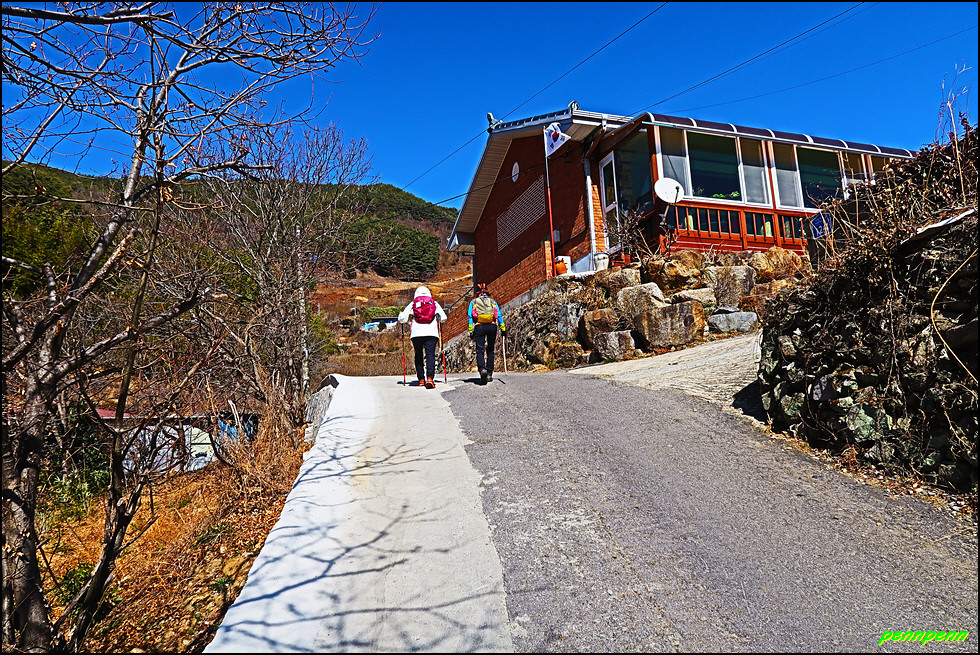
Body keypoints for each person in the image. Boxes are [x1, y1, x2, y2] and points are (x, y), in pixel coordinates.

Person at [398, 285, 447, 388]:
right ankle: (430, 378)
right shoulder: (434, 303)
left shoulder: (413, 304)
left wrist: (400, 314)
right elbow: (444, 318)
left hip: (417, 334)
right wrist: (438, 318)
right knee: (430, 355)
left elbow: (402, 319)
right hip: (431, 333)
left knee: (418, 355)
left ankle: (421, 379)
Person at [467, 284, 506, 385]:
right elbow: (499, 315)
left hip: (479, 326)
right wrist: (503, 329)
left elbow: (470, 316)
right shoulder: (493, 302)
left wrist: (471, 331)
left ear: (477, 293)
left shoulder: (473, 302)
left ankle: (482, 370)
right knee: (490, 350)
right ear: (487, 293)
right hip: (492, 326)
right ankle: (489, 374)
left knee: (480, 350)